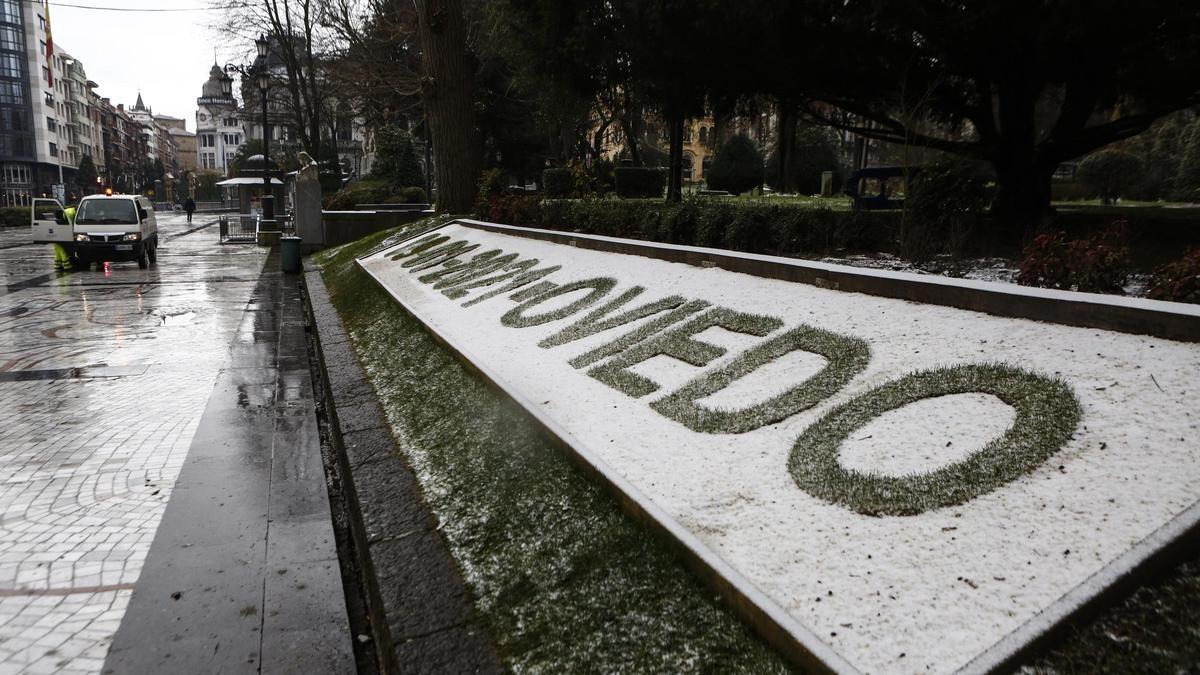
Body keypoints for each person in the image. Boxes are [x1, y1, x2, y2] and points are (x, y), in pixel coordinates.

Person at [53, 203, 77, 273]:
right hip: (60, 234)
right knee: (62, 250)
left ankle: (57, 265)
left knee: (57, 250)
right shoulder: (70, 213)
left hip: (57, 233)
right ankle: (67, 265)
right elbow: (70, 225)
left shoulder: (70, 211)